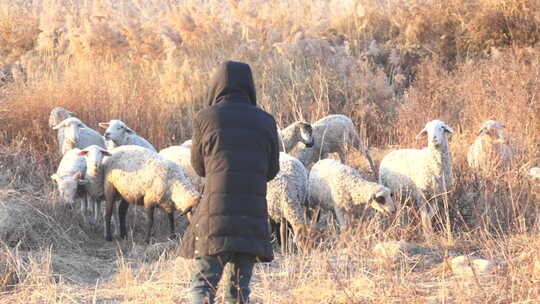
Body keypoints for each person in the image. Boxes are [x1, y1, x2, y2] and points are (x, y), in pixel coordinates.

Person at [180, 61, 280, 304]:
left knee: (202, 288)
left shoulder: (206, 117)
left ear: (216, 86)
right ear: (249, 86)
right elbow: (272, 170)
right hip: (251, 217)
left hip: (216, 216)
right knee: (238, 292)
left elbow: (199, 167)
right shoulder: (266, 121)